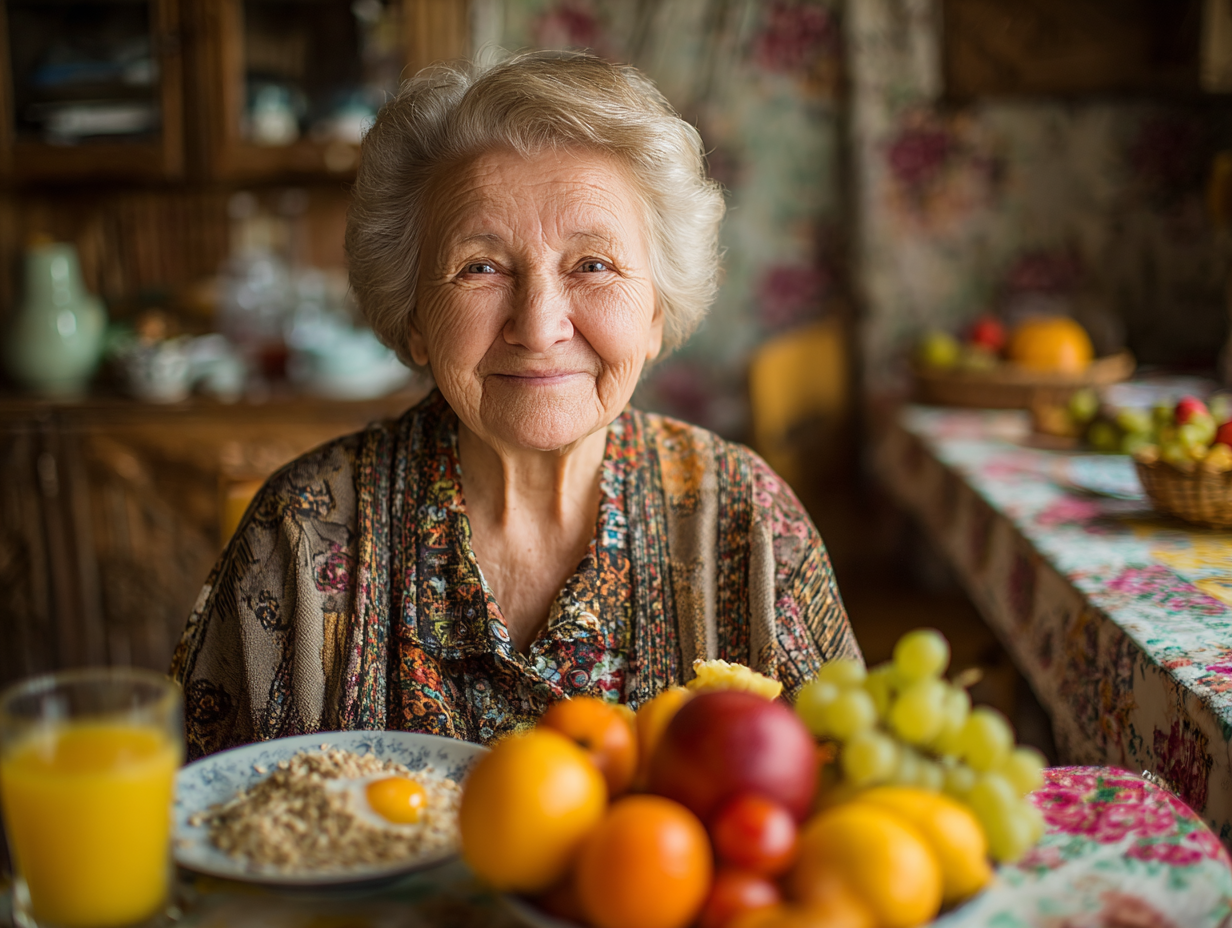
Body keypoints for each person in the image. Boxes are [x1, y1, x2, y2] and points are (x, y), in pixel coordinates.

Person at [172, 50, 859, 759]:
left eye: (593, 265)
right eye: (481, 268)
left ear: (655, 312)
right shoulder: (299, 533)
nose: (538, 326)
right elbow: (197, 809)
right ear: (415, 316)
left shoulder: (748, 520)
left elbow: (851, 799)